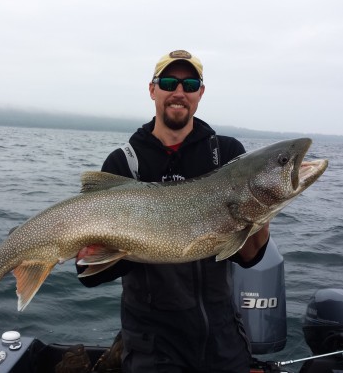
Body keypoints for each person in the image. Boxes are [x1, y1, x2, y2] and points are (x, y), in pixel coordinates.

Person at [77, 50, 270, 373]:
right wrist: (91, 252)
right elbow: (89, 276)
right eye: (168, 82)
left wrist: (260, 213)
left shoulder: (228, 155)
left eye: (190, 83)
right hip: (151, 345)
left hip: (222, 338)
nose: (179, 92)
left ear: (200, 94)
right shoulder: (124, 163)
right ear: (152, 90)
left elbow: (249, 257)